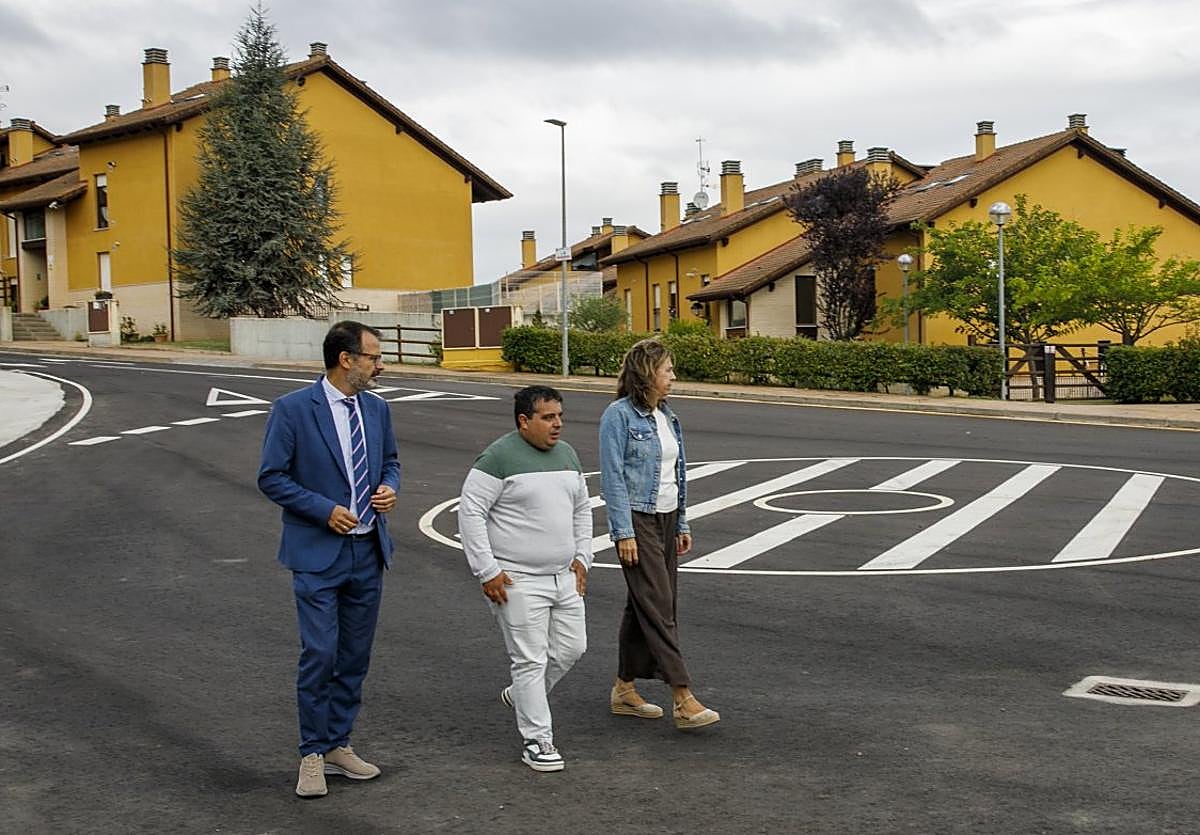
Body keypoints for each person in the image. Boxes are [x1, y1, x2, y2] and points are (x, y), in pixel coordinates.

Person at [258, 321, 401, 798]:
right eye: (373, 357)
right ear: (346, 359)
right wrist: (323, 510)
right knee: (319, 653)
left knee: (354, 657)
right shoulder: (294, 410)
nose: (380, 365)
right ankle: (312, 754)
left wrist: (389, 488)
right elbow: (271, 476)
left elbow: (391, 462)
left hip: (368, 550)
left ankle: (339, 744)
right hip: (318, 553)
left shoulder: (377, 410)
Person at [458, 385, 592, 772]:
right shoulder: (497, 458)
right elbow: (470, 514)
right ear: (524, 421)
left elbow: (582, 510)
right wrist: (487, 570)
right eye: (548, 417)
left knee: (572, 649)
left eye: (560, 416)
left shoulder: (567, 455)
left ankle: (521, 695)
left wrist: (584, 556)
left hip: (564, 577)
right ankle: (537, 741)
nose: (558, 425)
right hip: (516, 580)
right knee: (530, 660)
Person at [598, 338, 720, 730]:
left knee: (644, 604)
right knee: (658, 604)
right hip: (637, 518)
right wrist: (623, 531)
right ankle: (682, 696)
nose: (673, 376)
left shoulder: (668, 416)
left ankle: (624, 689)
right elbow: (612, 477)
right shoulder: (618, 416)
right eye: (667, 369)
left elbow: (676, 473)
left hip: (666, 519)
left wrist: (681, 522)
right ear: (647, 372)